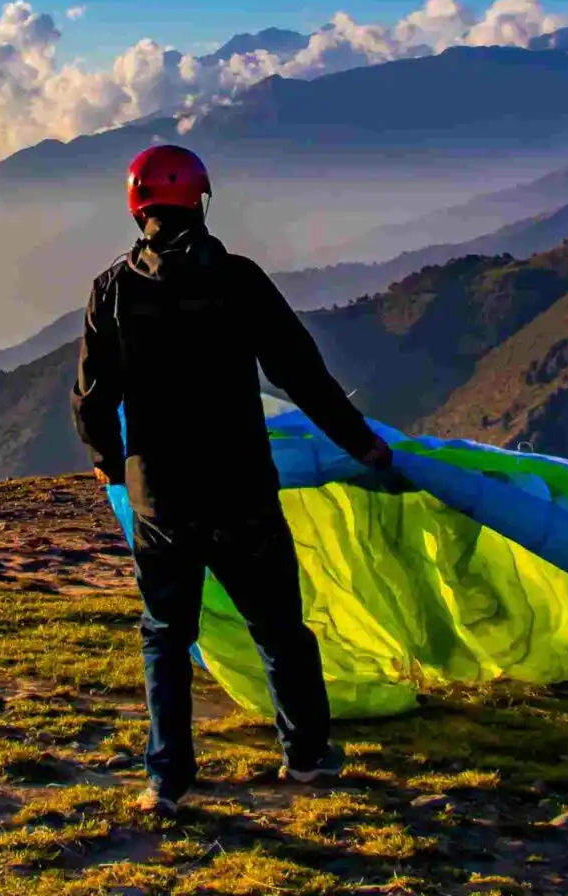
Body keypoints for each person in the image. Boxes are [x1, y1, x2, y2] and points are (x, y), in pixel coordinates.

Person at [71, 143, 403, 816]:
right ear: (200, 199)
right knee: (280, 628)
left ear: (137, 208)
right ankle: (306, 756)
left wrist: (107, 455)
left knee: (166, 633)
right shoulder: (240, 279)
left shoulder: (112, 290)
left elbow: (90, 397)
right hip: (242, 489)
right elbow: (300, 372)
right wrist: (361, 444)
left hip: (160, 497)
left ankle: (168, 781)